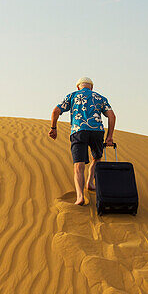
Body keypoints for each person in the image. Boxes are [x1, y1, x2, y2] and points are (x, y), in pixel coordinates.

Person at [49, 77, 116, 206]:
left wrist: (53, 128)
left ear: (78, 87)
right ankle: (90, 183)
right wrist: (110, 137)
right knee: (96, 158)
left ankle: (80, 197)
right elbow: (112, 116)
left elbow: (55, 111)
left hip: (78, 131)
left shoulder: (73, 96)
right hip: (97, 131)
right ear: (91, 87)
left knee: (78, 165)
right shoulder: (100, 98)